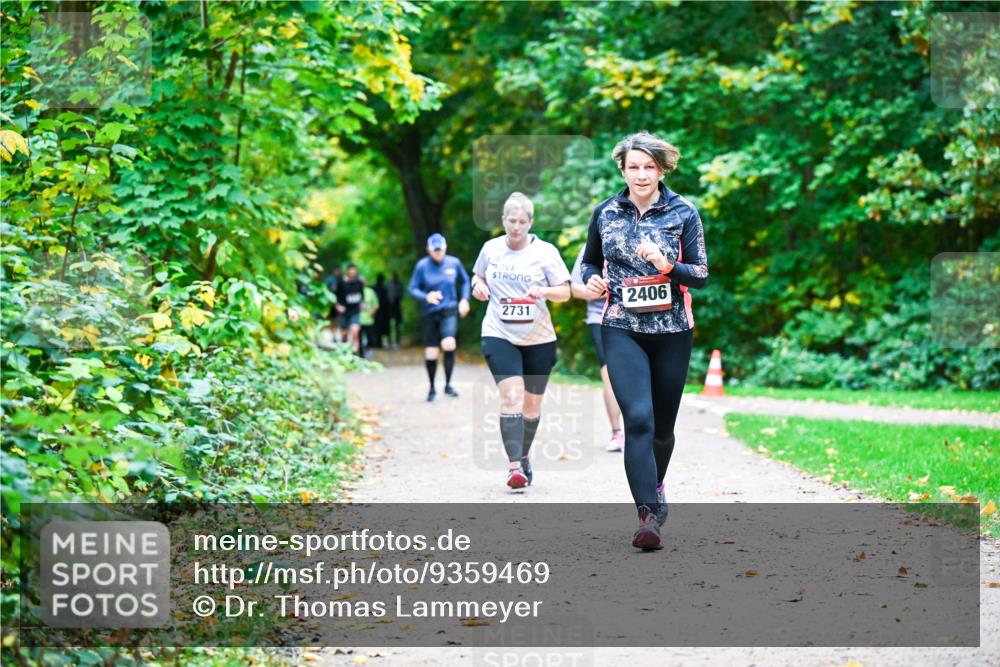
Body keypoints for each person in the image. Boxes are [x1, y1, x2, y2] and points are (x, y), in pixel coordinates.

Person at [581, 131, 708, 550]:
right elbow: (588, 262)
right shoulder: (605, 212)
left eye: (648, 167)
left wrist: (667, 264)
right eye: (633, 167)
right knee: (637, 418)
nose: (640, 174)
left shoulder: (683, 212)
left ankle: (656, 481)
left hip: (672, 331)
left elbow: (701, 275)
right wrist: (591, 279)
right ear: (622, 169)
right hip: (620, 325)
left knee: (662, 429)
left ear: (661, 169)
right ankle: (647, 516)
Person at [471, 192, 571, 489]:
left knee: (531, 408)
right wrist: (478, 287)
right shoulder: (490, 249)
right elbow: (478, 277)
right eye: (511, 221)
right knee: (511, 397)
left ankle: (524, 454)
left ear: (531, 223)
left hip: (539, 337)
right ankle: (514, 467)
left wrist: (544, 292)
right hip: (499, 332)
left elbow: (564, 291)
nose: (516, 227)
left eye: (522, 222)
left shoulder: (546, 252)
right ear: (503, 221)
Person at [570, 245, 624, 452]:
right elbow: (574, 288)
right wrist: (601, 292)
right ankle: (617, 432)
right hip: (600, 318)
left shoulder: (642, 235)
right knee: (609, 372)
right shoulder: (589, 248)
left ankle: (642, 429)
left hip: (638, 317)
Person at [408, 233, 471, 401]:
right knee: (431, 352)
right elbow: (412, 289)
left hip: (449, 310)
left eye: (440, 250)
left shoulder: (454, 263)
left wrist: (464, 300)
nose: (438, 253)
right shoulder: (422, 266)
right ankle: (432, 388)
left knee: (449, 343)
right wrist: (426, 297)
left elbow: (465, 281)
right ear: (429, 249)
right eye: (435, 250)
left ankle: (448, 385)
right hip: (429, 313)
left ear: (445, 248)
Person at [335, 264, 365, 356]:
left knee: (355, 330)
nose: (352, 272)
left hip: (355, 311)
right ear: (347, 271)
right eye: (350, 270)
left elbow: (361, 295)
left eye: (354, 270)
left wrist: (362, 303)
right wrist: (338, 306)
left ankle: (355, 351)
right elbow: (335, 297)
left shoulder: (359, 283)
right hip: (344, 312)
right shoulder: (340, 283)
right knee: (344, 334)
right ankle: (345, 352)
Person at [360, 277, 380, 359]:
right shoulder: (355, 291)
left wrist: (372, 312)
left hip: (369, 319)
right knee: (359, 338)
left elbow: (376, 304)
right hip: (358, 320)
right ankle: (361, 354)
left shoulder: (370, 292)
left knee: (370, 337)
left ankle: (369, 350)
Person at [385, 273, 404, 349]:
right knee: (390, 325)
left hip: (396, 306)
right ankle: (390, 341)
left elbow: (401, 295)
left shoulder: (398, 284)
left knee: (397, 325)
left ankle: (397, 341)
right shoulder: (390, 284)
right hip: (390, 307)